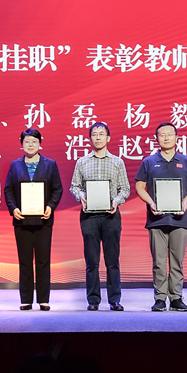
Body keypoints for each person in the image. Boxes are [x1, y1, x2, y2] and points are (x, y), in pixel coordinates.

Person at [135, 122, 187, 312]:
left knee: (177, 261)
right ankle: (160, 298)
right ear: (156, 139)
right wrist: (151, 203)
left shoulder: (186, 161)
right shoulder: (148, 161)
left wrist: (185, 202)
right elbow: (140, 186)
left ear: (177, 138)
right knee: (159, 262)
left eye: (169, 134)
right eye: (162, 135)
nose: (166, 137)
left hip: (181, 218)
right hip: (156, 218)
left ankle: (176, 297)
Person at [70, 122, 130, 311]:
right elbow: (74, 186)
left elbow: (125, 189)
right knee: (92, 261)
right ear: (90, 138)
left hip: (111, 216)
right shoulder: (82, 162)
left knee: (112, 261)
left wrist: (117, 201)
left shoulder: (117, 162)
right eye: (94, 134)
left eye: (101, 134)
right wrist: (81, 195)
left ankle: (114, 300)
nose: (98, 137)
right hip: (89, 217)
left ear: (108, 138)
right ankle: (93, 300)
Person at [4, 128, 63, 311]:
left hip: (43, 219)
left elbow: (57, 189)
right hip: (22, 220)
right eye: (27, 141)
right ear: (21, 144)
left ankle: (43, 299)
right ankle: (26, 299)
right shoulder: (15, 165)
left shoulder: (50, 164)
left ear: (40, 144)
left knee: (43, 261)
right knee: (25, 261)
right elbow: (8, 190)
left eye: (34, 141)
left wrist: (50, 206)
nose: (30, 145)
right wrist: (13, 209)